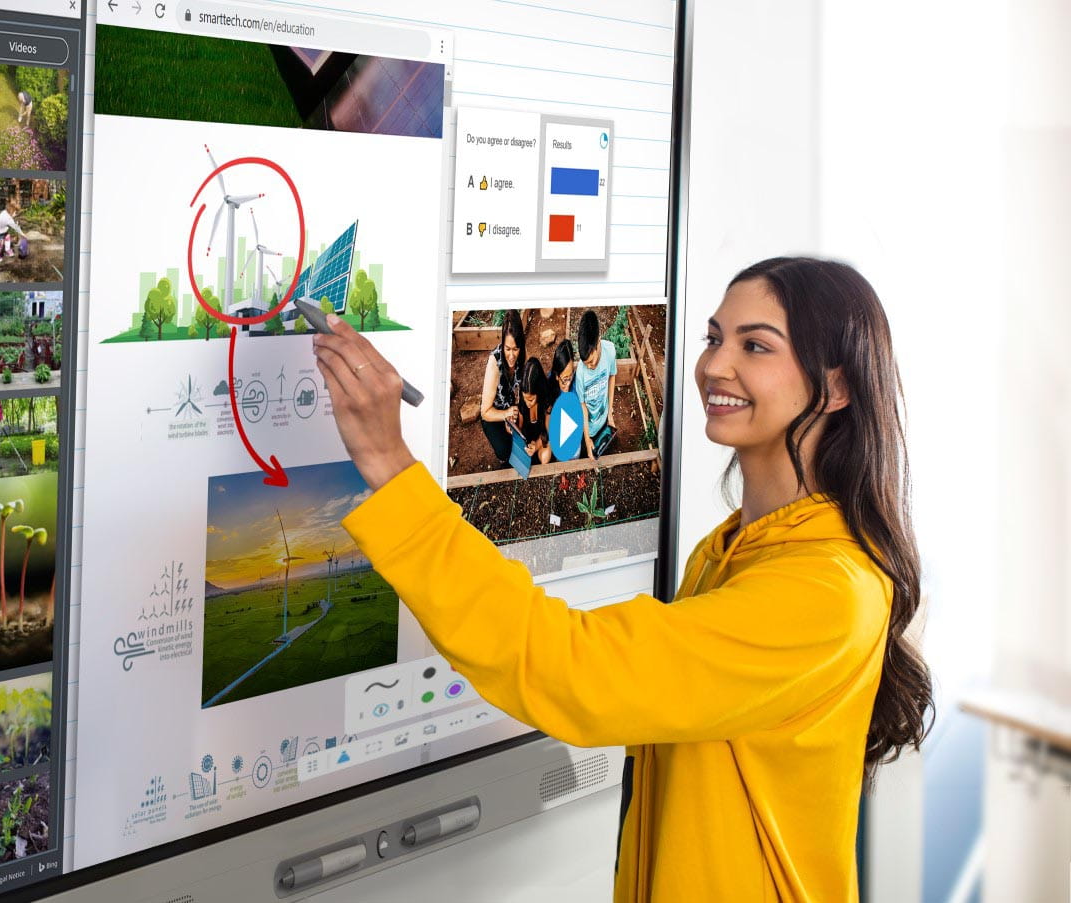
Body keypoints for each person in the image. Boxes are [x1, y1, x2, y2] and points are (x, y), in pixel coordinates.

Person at [311, 256, 933, 901]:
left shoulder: (825, 591)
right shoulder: (730, 551)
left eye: (756, 346)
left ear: (836, 387)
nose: (714, 366)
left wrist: (390, 465)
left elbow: (575, 668)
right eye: (714, 338)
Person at [478, 309, 525, 463]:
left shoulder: (523, 356)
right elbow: (485, 412)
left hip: (511, 409)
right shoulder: (494, 363)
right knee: (504, 452)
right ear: (502, 344)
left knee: (525, 438)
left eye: (516, 349)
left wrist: (513, 415)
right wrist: (505, 415)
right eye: (507, 349)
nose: (511, 355)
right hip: (493, 413)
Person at [574, 309, 618, 460]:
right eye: (586, 363)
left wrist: (610, 413)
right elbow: (583, 406)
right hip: (589, 428)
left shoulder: (610, 351)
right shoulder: (581, 373)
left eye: (591, 361)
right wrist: (587, 439)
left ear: (598, 342)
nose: (590, 366)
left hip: (604, 418)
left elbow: (612, 377)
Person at [516, 357, 551, 466]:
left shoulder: (546, 402)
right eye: (525, 398)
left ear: (539, 392)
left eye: (531, 399)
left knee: (545, 456)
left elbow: (548, 432)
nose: (527, 403)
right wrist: (512, 427)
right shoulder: (523, 401)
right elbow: (520, 428)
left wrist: (536, 446)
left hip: (542, 440)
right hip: (527, 444)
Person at [0, 200, 24, 266]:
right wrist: (23, 234)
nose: (16, 214)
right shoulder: (8, 219)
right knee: (1, 241)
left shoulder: (5, 212)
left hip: (1, 230)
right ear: (11, 210)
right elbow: (16, 228)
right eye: (15, 212)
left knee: (7, 236)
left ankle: (7, 249)